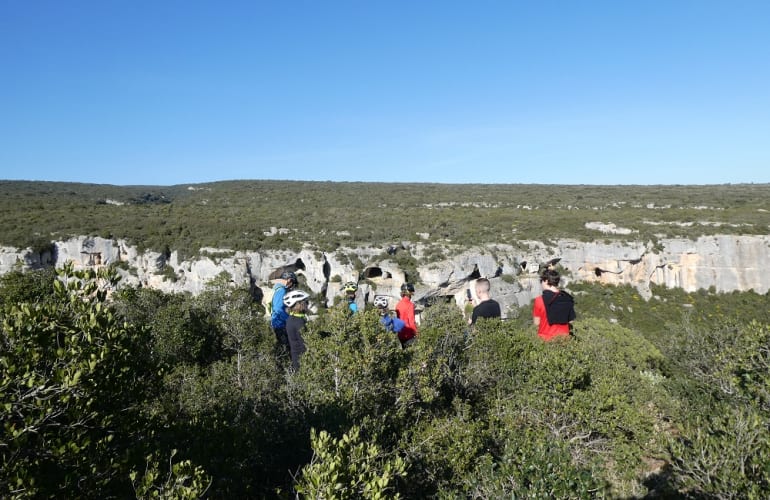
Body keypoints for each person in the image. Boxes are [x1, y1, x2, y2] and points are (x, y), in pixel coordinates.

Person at [532, 268, 576, 341]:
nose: (541, 284)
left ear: (546, 281)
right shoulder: (567, 298)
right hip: (564, 340)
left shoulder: (539, 300)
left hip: (545, 340)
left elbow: (536, 323)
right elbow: (571, 321)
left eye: (541, 281)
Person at [284, 289, 311, 371]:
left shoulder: (291, 318)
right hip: (303, 361)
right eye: (306, 302)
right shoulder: (299, 322)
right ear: (299, 304)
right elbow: (305, 344)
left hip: (296, 358)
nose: (308, 304)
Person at [271, 271, 297, 350]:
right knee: (286, 348)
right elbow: (278, 309)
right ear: (289, 280)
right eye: (293, 282)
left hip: (277, 323)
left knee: (282, 347)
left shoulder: (277, 289)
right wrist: (288, 319)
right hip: (280, 324)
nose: (292, 285)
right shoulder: (281, 290)